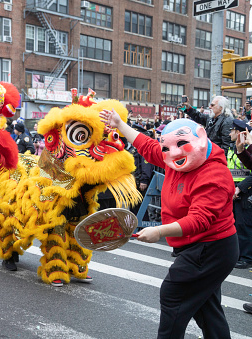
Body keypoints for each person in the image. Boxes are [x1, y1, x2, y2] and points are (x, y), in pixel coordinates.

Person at [100, 109, 238, 338]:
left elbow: (200, 220)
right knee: (207, 309)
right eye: (167, 147)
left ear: (201, 137)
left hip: (211, 247)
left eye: (181, 144)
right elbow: (149, 147)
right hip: (198, 245)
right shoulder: (173, 157)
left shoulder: (215, 174)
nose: (172, 153)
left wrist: (159, 231)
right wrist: (120, 125)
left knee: (173, 294)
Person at [228, 119, 252, 270]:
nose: (229, 133)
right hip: (235, 188)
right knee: (237, 223)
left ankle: (246, 257)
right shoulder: (236, 147)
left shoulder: (249, 146)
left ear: (239, 132)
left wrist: (241, 188)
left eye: (232, 130)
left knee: (245, 225)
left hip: (246, 189)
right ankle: (239, 254)